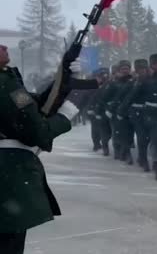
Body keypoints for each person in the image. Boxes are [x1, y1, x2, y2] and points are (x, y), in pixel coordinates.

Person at [0, 44, 79, 254]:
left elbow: (33, 104)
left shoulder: (8, 83)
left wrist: (63, 73)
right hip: (7, 178)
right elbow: (38, 132)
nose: (4, 47)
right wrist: (65, 118)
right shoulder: (6, 85)